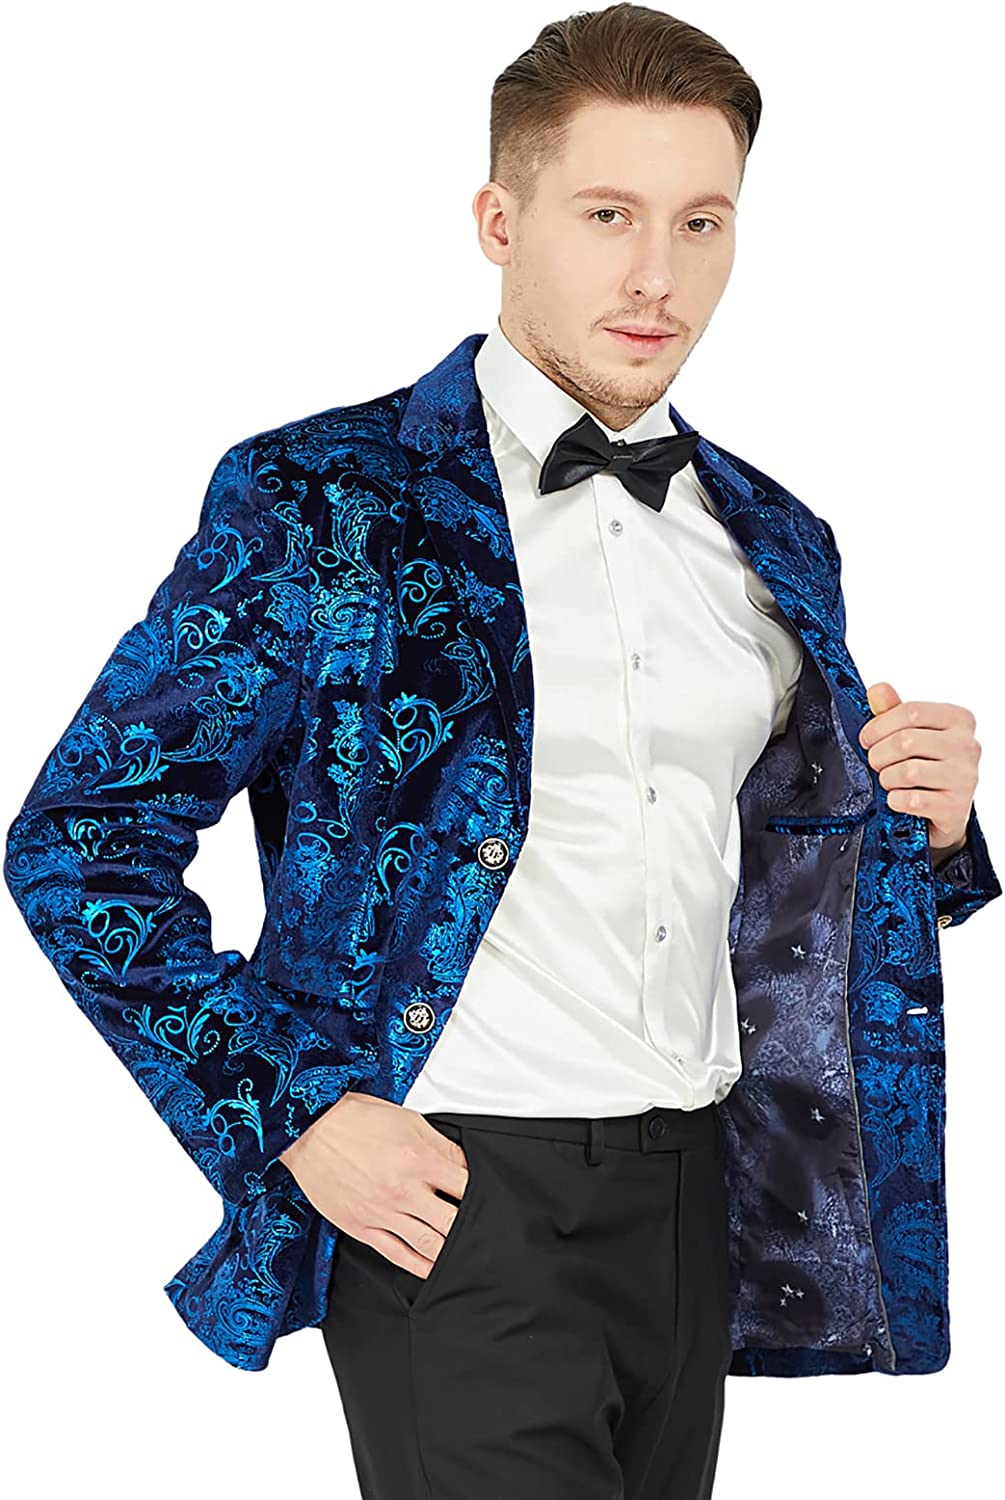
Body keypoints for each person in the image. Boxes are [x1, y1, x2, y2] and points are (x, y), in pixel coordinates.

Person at [4, 7, 1000, 1499]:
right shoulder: (325, 498)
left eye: (701, 222)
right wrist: (293, 1113)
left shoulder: (777, 536)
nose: (657, 275)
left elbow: (781, 891)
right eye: (607, 215)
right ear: (499, 220)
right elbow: (81, 844)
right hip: (454, 1198)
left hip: (697, 1198)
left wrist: (928, 826)